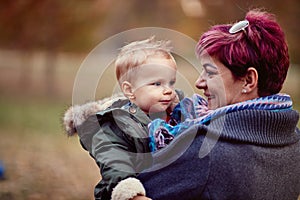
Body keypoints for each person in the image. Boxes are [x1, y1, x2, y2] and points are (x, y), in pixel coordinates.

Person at [136, 9, 300, 200]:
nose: (199, 82)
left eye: (210, 72)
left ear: (248, 80)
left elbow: (134, 188)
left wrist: (110, 135)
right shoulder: (294, 141)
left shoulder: (205, 150)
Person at [63, 37, 183, 200]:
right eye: (157, 84)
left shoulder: (178, 115)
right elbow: (114, 163)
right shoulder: (113, 125)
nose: (168, 90)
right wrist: (132, 194)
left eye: (171, 82)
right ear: (130, 90)